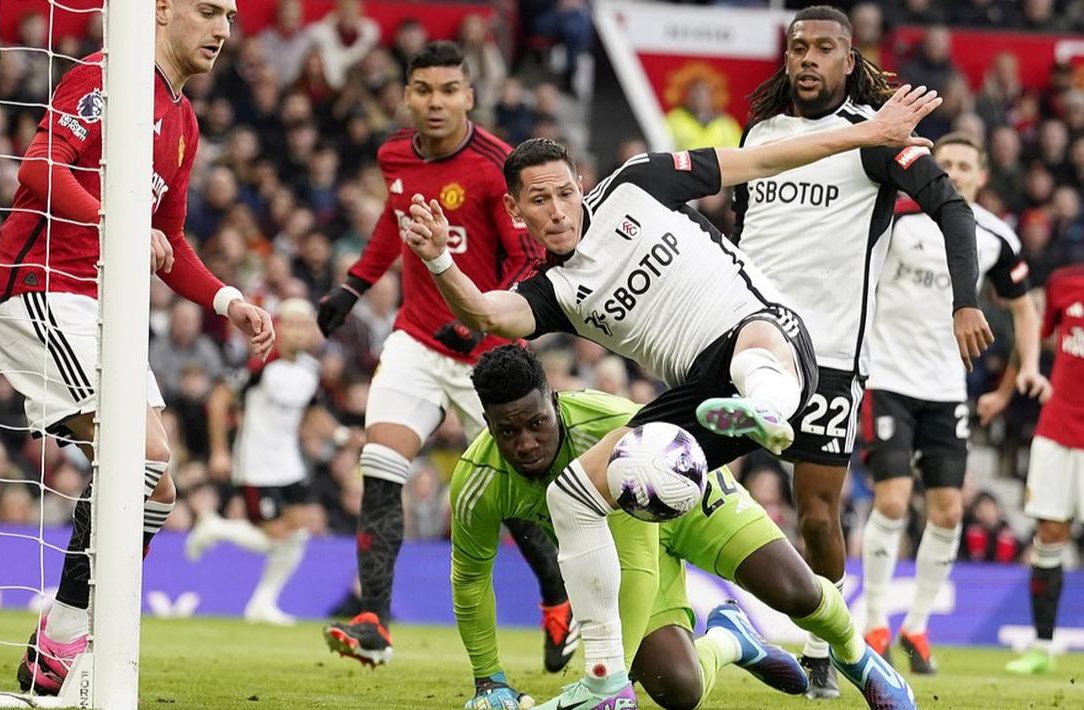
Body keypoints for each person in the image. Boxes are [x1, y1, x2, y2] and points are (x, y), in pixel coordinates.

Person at [402, 82, 940, 708]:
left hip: (764, 327)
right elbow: (491, 314)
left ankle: (855, 654)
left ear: (582, 184)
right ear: (517, 212)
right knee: (571, 496)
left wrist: (867, 135)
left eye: (565, 193)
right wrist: (442, 262)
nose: (557, 210)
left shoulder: (638, 183)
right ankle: (604, 679)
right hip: (693, 401)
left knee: (754, 351)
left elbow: (758, 161)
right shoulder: (554, 289)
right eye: (540, 202)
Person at [0, 0, 274, 695]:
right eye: (207, 11)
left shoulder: (184, 122)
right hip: (41, 289)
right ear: (160, 11)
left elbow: (167, 244)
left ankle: (71, 633)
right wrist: (112, 216)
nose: (222, 29)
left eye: (229, 16)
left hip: (102, 306)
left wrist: (229, 300)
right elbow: (38, 167)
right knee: (143, 455)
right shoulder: (106, 76)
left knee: (159, 490)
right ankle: (65, 639)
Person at [731, 6, 992, 695]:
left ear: (849, 62)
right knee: (678, 477)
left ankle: (826, 635)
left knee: (815, 512)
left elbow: (953, 210)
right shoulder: (759, 132)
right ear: (785, 59)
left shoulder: (876, 138)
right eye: (797, 48)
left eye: (824, 48)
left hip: (830, 359)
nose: (808, 59)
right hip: (742, 341)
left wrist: (965, 299)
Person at [452, 345, 913, 710]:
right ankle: (732, 640)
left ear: (555, 402)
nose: (526, 443)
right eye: (507, 433)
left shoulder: (612, 426)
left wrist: (605, 681)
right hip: (622, 542)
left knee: (795, 591)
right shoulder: (478, 480)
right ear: (487, 426)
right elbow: (470, 580)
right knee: (679, 691)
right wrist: (489, 679)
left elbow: (636, 568)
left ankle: (860, 659)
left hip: (695, 505)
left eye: (536, 423)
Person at [316, 42, 573, 671]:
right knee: (380, 462)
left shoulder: (493, 167)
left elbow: (527, 258)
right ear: (407, 95)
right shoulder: (394, 154)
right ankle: (374, 618)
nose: (437, 102)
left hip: (489, 352)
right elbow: (393, 219)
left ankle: (558, 602)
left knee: (519, 492)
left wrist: (482, 317)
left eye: (449, 90)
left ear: (470, 96)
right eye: (424, 89)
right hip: (416, 338)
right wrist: (354, 285)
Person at [860, 132, 1052, 673]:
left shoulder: (994, 236)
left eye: (966, 165)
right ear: (930, 168)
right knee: (893, 502)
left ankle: (916, 629)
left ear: (982, 175)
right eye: (947, 164)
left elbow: (1024, 311)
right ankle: (875, 622)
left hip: (947, 392)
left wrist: (1020, 376)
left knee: (948, 511)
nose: (957, 172)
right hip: (888, 380)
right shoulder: (893, 217)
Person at [185, 298, 323, 625]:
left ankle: (263, 603)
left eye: (307, 325)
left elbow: (314, 414)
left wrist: (344, 436)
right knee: (275, 536)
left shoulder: (310, 370)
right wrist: (220, 451)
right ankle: (215, 527)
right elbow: (219, 401)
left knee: (300, 532)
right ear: (280, 325)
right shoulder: (260, 364)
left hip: (290, 463)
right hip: (257, 463)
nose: (301, 333)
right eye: (294, 324)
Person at [1002, 264, 1084, 675]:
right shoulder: (1064, 282)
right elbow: (1036, 334)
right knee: (1050, 534)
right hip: (1056, 430)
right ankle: (1042, 646)